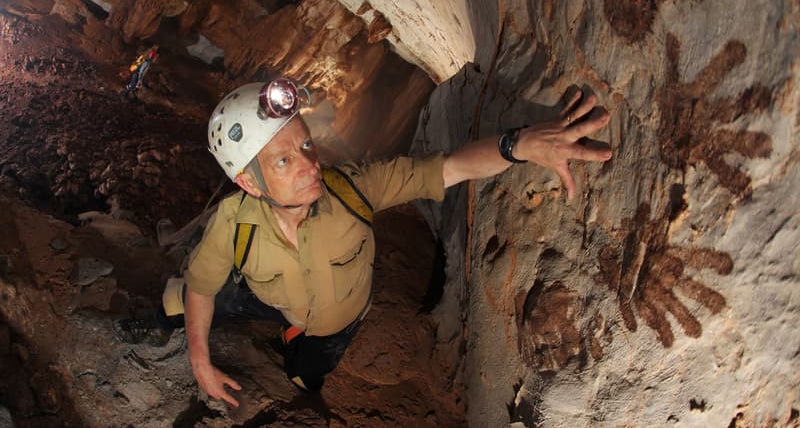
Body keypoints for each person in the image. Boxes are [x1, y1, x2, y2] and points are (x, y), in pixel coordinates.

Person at [115, 78, 612, 406]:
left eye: (305, 144)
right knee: (186, 297)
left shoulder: (354, 187)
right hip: (268, 297)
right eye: (283, 161)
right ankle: (160, 319)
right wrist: (199, 362)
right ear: (249, 183)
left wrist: (520, 144)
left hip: (335, 322)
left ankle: (296, 346)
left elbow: (450, 166)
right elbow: (205, 286)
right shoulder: (233, 222)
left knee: (305, 378)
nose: (310, 165)